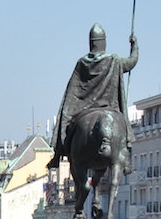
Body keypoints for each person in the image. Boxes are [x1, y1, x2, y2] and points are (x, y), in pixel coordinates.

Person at [48, 23, 139, 170]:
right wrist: (135, 46)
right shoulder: (114, 60)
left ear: (91, 43)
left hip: (84, 107)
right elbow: (131, 62)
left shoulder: (82, 63)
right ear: (104, 42)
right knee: (122, 126)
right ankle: (125, 155)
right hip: (110, 108)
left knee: (65, 114)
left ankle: (58, 153)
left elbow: (73, 91)